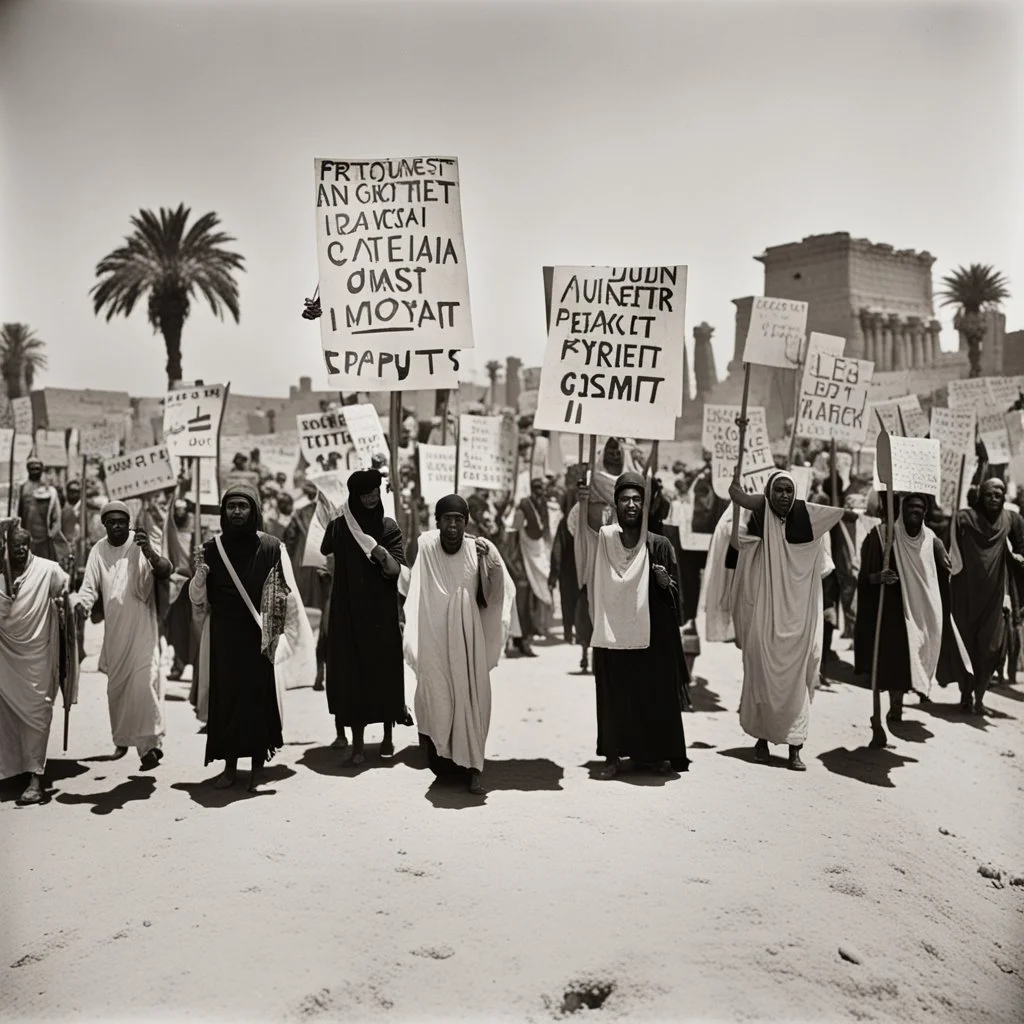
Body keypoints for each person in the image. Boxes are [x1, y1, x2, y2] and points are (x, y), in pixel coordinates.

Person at [729, 470, 858, 770]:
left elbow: (839, 530)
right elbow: (740, 543)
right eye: (778, 491)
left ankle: (795, 746)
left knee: (797, 682)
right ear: (768, 494)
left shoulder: (810, 522)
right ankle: (761, 740)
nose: (784, 496)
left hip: (800, 618)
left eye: (789, 490)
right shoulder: (759, 520)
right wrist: (738, 490)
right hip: (765, 613)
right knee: (761, 674)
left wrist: (828, 607)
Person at [189, 484, 314, 790]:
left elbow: (287, 595)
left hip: (260, 637)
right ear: (223, 511)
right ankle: (230, 768)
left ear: (254, 511)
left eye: (243, 506)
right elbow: (197, 599)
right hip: (224, 637)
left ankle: (258, 769)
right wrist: (200, 578)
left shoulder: (272, 547)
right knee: (227, 700)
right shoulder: (211, 549)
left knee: (258, 701)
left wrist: (286, 637)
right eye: (231, 507)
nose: (237, 512)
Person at [577, 472, 689, 778]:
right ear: (615, 504)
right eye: (625, 499)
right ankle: (613, 758)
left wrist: (666, 584)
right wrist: (583, 498)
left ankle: (656, 755)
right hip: (613, 634)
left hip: (650, 638)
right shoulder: (605, 539)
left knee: (652, 694)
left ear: (645, 504)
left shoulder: (659, 544)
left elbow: (677, 598)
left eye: (637, 499)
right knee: (615, 696)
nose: (631, 505)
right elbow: (583, 534)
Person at [403, 494, 514, 795]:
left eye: (459, 520)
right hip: (435, 640)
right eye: (447, 519)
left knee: (472, 700)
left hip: (468, 642)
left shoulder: (478, 548)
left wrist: (489, 562)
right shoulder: (425, 546)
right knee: (438, 699)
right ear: (437, 521)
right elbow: (410, 584)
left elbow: (492, 596)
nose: (453, 525)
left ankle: (475, 767)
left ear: (466, 523)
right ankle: (446, 763)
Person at [71, 501, 171, 769]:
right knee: (118, 690)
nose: (116, 526)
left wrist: (149, 551)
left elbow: (165, 570)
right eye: (111, 522)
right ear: (104, 525)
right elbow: (89, 586)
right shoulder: (98, 550)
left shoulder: (141, 543)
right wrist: (83, 604)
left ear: (128, 522)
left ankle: (148, 747)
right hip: (115, 631)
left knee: (144, 683)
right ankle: (126, 739)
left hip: (142, 627)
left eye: (121, 521)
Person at [854, 493, 971, 722]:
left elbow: (946, 570)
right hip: (892, 610)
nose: (915, 511)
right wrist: (879, 577)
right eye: (911, 507)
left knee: (919, 653)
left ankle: (917, 688)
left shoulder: (931, 540)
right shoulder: (883, 535)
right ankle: (894, 705)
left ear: (925, 512)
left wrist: (947, 562)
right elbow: (864, 577)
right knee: (896, 661)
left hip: (922, 611)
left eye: (920, 508)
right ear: (901, 510)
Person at [320, 469, 408, 765]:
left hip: (381, 613)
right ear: (354, 497)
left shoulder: (388, 526)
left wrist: (381, 554)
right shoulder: (339, 527)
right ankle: (356, 744)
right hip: (347, 613)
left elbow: (397, 572)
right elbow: (324, 551)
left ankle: (387, 737)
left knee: (383, 673)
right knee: (352, 676)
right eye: (365, 495)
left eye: (375, 493)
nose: (371, 499)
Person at [0, 526, 70, 805]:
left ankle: (35, 779)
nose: (19, 550)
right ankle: (12, 772)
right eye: (14, 545)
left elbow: (65, 588)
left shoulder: (47, 570)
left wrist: (67, 603)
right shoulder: (0, 572)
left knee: (38, 713)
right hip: (6, 655)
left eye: (24, 545)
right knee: (5, 717)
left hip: (38, 656)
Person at [950, 478, 1024, 714]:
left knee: (992, 649)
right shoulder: (963, 518)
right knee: (966, 647)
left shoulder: (1011, 520)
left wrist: (1020, 557)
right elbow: (947, 546)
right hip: (966, 595)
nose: (995, 498)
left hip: (995, 597)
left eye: (999, 494)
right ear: (981, 496)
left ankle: (980, 698)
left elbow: (1021, 545)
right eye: (990, 494)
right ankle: (965, 696)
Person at [507, 478, 553, 654]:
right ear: (533, 490)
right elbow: (513, 535)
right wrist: (514, 563)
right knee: (522, 605)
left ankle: (528, 636)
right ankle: (520, 642)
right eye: (538, 489)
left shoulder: (542, 507)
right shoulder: (523, 509)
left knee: (535, 602)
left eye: (543, 489)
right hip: (522, 562)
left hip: (537, 558)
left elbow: (544, 534)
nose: (541, 492)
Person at [17, 457, 66, 561]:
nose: (35, 471)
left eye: (37, 468)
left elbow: (56, 515)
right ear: (28, 469)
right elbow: (18, 512)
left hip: (44, 539)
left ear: (42, 469)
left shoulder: (49, 490)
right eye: (32, 468)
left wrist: (52, 533)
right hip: (27, 537)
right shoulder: (22, 488)